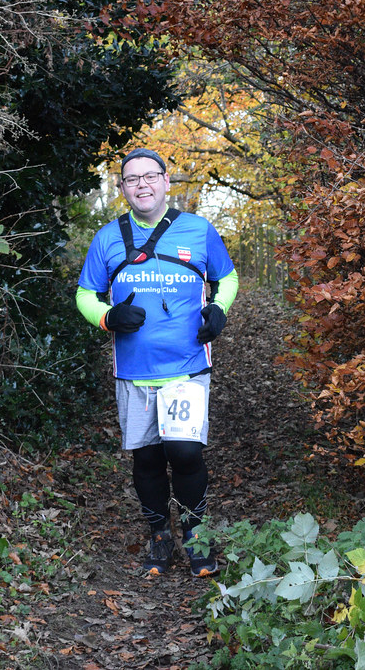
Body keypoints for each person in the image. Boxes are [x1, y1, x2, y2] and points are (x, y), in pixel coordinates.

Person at [75, 148, 239, 577]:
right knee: (146, 459)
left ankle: (195, 537)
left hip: (186, 365)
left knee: (184, 452)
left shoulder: (199, 231)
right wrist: (108, 316)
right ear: (123, 189)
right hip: (133, 370)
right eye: (132, 179)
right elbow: (85, 295)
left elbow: (228, 278)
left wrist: (219, 309)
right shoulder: (108, 238)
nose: (142, 185)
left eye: (150, 176)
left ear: (167, 182)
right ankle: (159, 536)